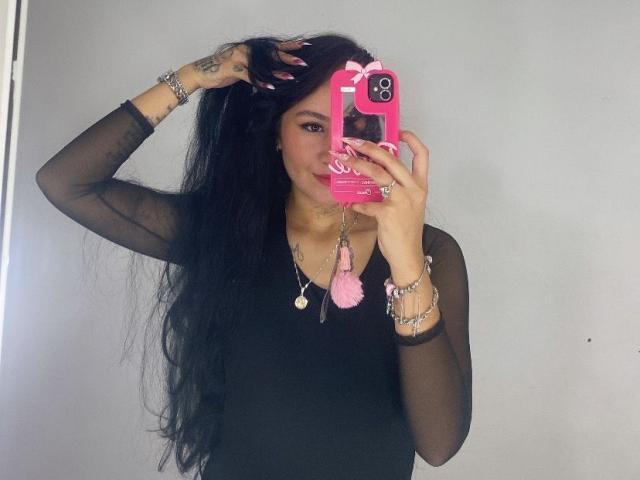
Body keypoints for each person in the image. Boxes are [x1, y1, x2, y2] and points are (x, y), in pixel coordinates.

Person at [35, 33, 472, 480]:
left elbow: (439, 444)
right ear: (276, 134)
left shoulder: (431, 253)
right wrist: (192, 77)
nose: (332, 150)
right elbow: (67, 182)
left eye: (353, 127)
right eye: (311, 126)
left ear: (379, 133)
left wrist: (406, 263)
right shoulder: (227, 231)